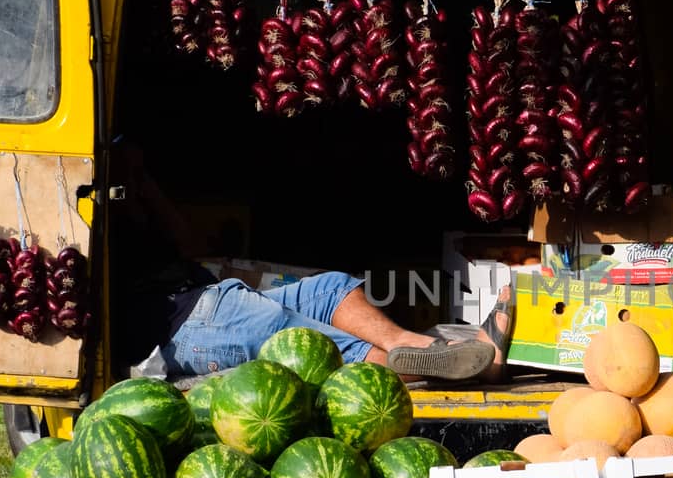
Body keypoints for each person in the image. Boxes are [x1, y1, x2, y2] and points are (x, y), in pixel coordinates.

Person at [112, 139, 511, 381]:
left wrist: (141, 181)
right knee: (318, 343)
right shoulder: (94, 215)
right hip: (189, 329)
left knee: (332, 286)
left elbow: (188, 244)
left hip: (213, 299)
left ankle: (413, 344)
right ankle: (459, 367)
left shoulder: (139, 205)